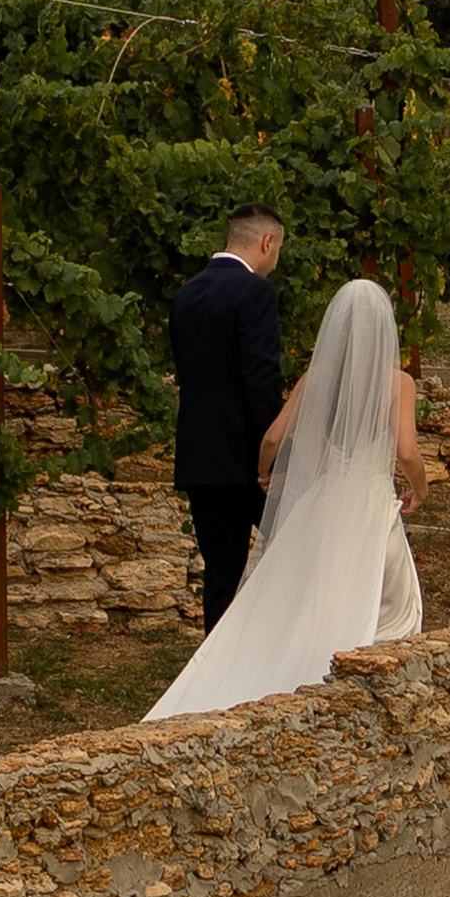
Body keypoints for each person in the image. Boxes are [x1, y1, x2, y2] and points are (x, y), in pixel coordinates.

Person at [146, 277, 426, 721]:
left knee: (311, 593)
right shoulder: (398, 383)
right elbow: (407, 452)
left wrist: (265, 470)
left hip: (322, 501)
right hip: (370, 504)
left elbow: (274, 436)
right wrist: (420, 488)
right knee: (388, 604)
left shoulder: (316, 379)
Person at [169, 206, 290, 632]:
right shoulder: (254, 293)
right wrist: (273, 459)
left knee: (221, 578)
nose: (275, 263)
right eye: (278, 251)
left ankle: (213, 679)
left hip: (201, 459)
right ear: (266, 242)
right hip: (246, 463)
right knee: (296, 555)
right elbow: (260, 381)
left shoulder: (187, 294)